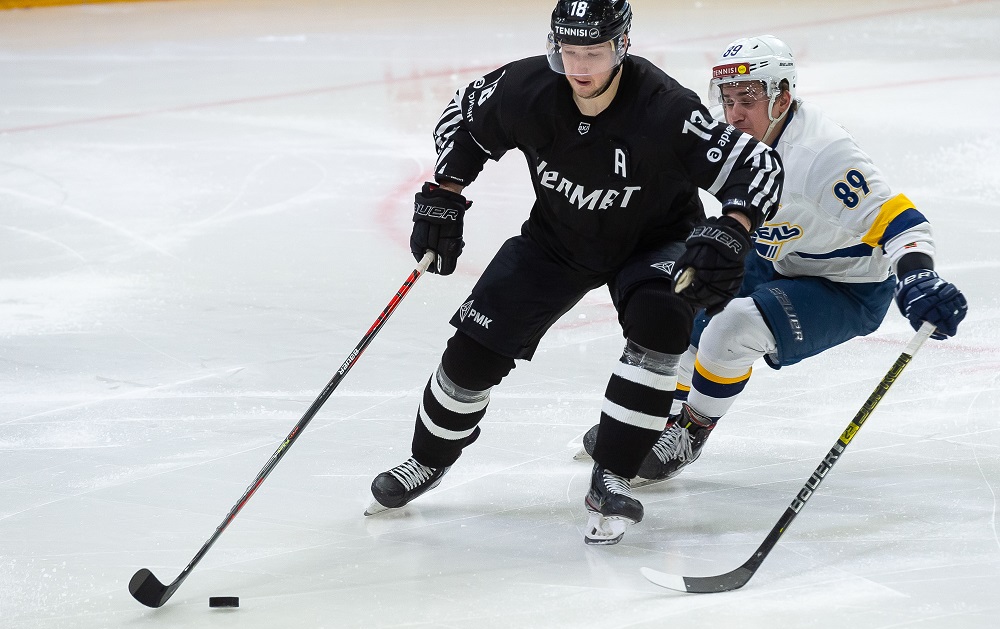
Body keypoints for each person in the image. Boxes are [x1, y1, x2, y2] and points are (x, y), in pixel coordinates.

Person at [364, 1, 783, 546]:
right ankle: (426, 459)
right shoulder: (526, 89)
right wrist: (444, 192)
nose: (579, 67)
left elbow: (757, 165)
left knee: (661, 321)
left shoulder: (665, 106)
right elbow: (464, 117)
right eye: (568, 51)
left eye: (594, 52)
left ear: (622, 46)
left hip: (652, 241)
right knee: (473, 350)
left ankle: (612, 476)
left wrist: (732, 228)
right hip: (557, 240)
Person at [578, 35, 968, 485]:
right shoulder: (730, 136)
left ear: (782, 98)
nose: (734, 115)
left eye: (748, 100)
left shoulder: (822, 155)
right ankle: (654, 418)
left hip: (846, 285)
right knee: (676, 302)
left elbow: (902, 222)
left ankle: (690, 432)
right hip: (777, 255)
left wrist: (918, 278)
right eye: (728, 100)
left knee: (730, 329)